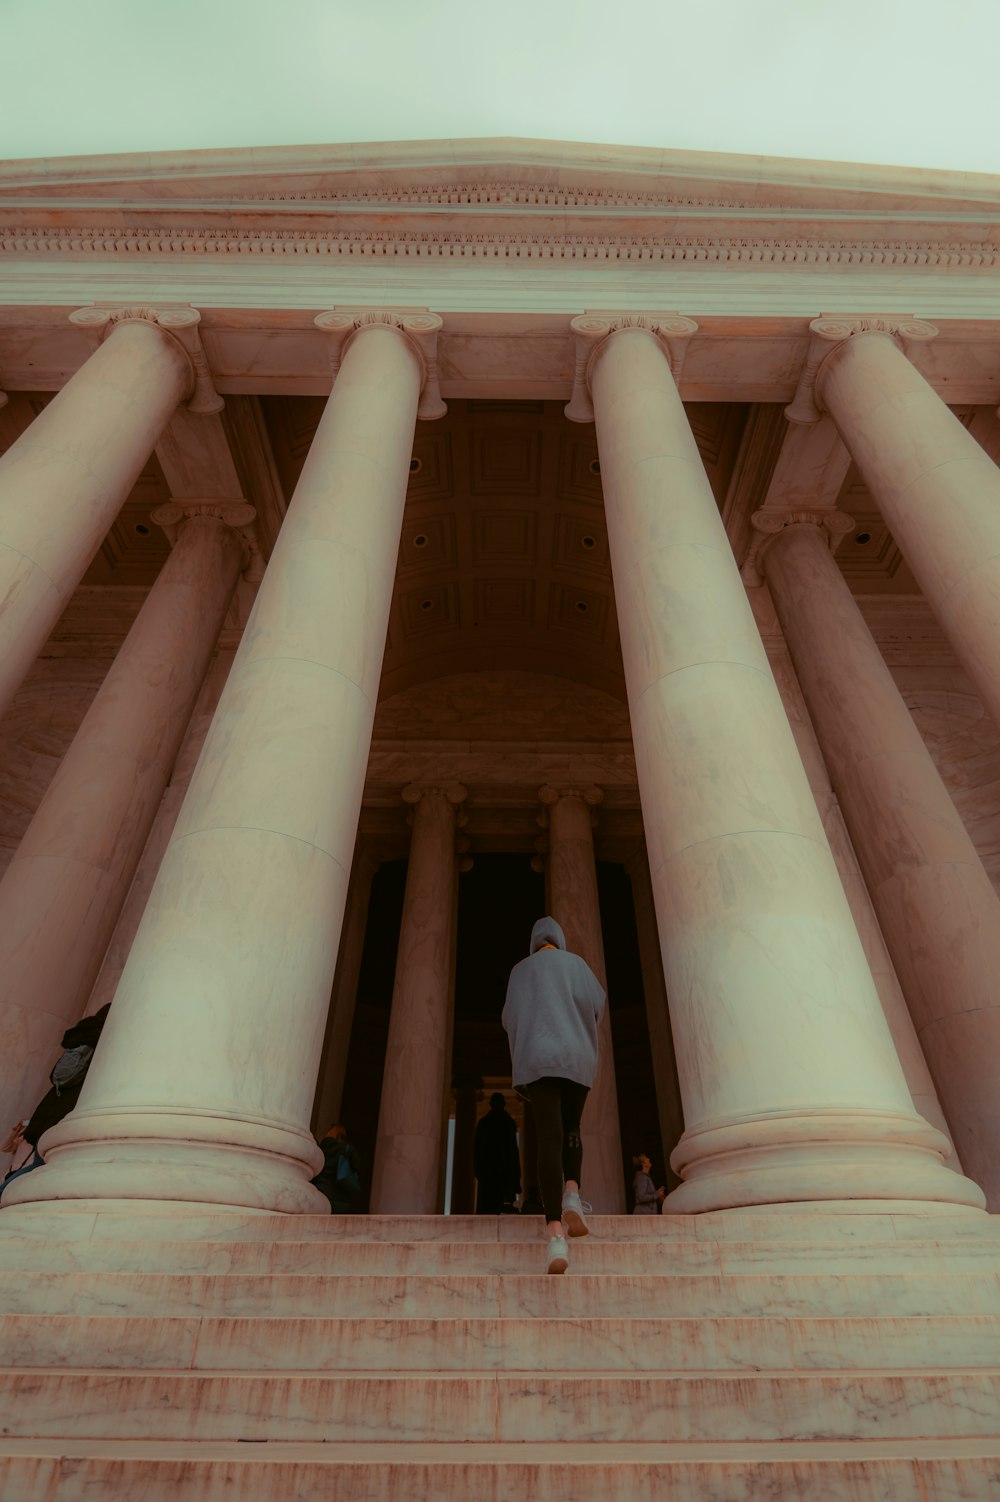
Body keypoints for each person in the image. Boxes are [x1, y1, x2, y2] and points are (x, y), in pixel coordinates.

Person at [502, 916, 605, 1274]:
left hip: (540, 1058)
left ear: (534, 942)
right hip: (576, 1057)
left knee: (549, 1137)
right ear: (559, 940)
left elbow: (509, 1018)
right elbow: (597, 1005)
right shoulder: (577, 965)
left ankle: (555, 1234)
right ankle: (573, 1193)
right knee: (572, 1129)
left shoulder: (521, 971)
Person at [1, 1003, 111, 1203]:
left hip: (47, 1115)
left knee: (31, 1170)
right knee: (35, 1172)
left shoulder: (81, 1039)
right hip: (62, 1118)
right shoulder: (101, 1042)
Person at [473, 1092, 521, 1214]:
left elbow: (477, 1150)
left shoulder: (484, 1122)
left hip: (489, 1173)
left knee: (487, 1208)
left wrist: (478, 1170)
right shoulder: (508, 1122)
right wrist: (516, 1177)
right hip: (504, 1172)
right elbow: (514, 1152)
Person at [310, 1123, 362, 1213]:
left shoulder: (318, 1149)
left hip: (321, 1192)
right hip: (340, 1197)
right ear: (340, 1137)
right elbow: (357, 1167)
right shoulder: (346, 1148)